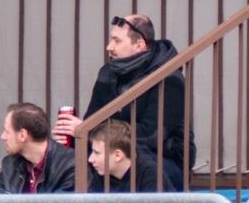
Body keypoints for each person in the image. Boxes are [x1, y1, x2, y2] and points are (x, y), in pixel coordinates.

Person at [54, 14, 194, 190]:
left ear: (139, 44)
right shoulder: (108, 72)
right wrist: (75, 134)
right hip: (114, 154)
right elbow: (94, 120)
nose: (109, 47)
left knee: (126, 164)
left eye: (117, 40)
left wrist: (87, 130)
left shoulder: (169, 79)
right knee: (67, 162)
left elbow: (151, 136)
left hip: (165, 160)